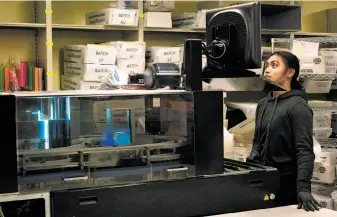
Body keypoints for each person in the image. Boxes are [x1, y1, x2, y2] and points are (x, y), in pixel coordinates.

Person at [246, 51, 321, 212]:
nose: (267, 70)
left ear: (290, 72)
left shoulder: (298, 107)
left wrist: (303, 188)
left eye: (274, 65)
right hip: (263, 181)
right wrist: (250, 168)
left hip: (287, 184)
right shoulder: (263, 104)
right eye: (266, 65)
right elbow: (257, 141)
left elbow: (305, 151)